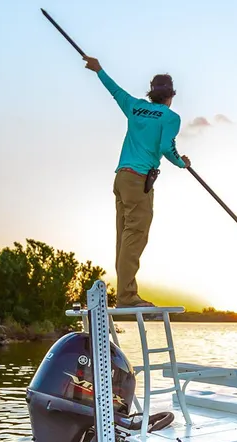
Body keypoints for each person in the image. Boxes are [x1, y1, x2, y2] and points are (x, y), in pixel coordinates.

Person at [83, 56, 191, 308]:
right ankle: (127, 296)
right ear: (170, 95)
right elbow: (167, 147)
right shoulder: (170, 117)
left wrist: (99, 69)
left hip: (121, 178)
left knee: (123, 235)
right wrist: (182, 163)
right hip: (139, 179)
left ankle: (124, 293)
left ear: (151, 94)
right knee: (136, 235)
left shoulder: (135, 107)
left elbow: (115, 90)